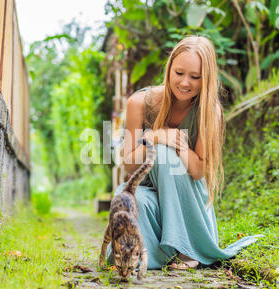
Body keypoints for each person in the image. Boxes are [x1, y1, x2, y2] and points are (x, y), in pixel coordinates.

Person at [108, 35, 262, 270]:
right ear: (169, 69)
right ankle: (148, 254)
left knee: (165, 154)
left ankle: (185, 248)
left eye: (195, 77)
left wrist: (176, 144)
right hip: (148, 187)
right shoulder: (138, 103)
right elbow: (129, 164)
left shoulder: (210, 111)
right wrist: (156, 137)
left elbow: (199, 171)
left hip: (187, 195)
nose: (185, 83)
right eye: (179, 73)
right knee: (132, 199)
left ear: (206, 78)